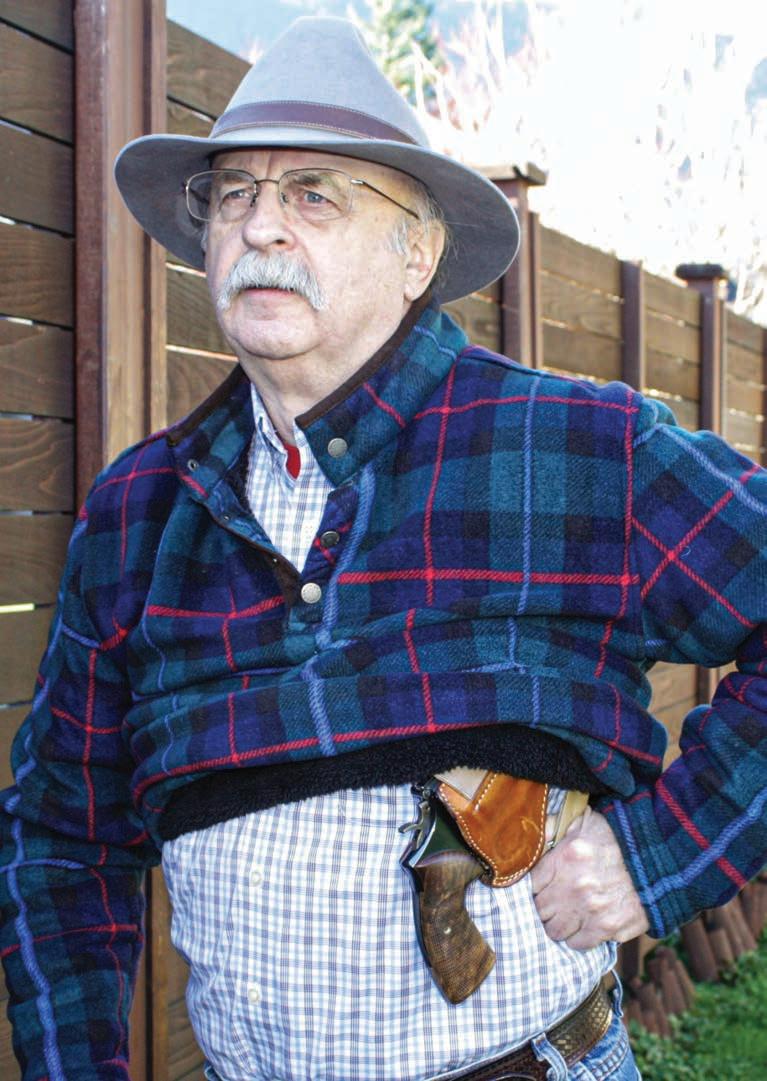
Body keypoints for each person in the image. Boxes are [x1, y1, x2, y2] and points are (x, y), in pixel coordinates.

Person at [1, 14, 765, 1081]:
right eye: (234, 195)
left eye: (313, 194)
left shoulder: (577, 448)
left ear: (417, 254)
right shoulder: (139, 512)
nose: (262, 227)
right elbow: (61, 837)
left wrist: (660, 857)